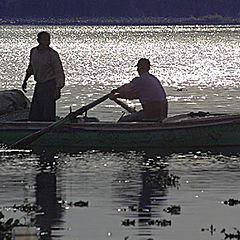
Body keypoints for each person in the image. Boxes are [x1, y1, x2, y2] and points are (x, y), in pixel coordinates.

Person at [22, 31, 65, 121]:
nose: (47, 41)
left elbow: (59, 72)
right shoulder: (34, 52)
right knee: (35, 110)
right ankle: (34, 127)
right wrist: (25, 80)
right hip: (39, 85)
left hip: (50, 85)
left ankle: (48, 128)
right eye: (44, 39)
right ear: (38, 40)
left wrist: (58, 89)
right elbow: (31, 68)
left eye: (48, 39)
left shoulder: (52, 54)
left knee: (48, 112)